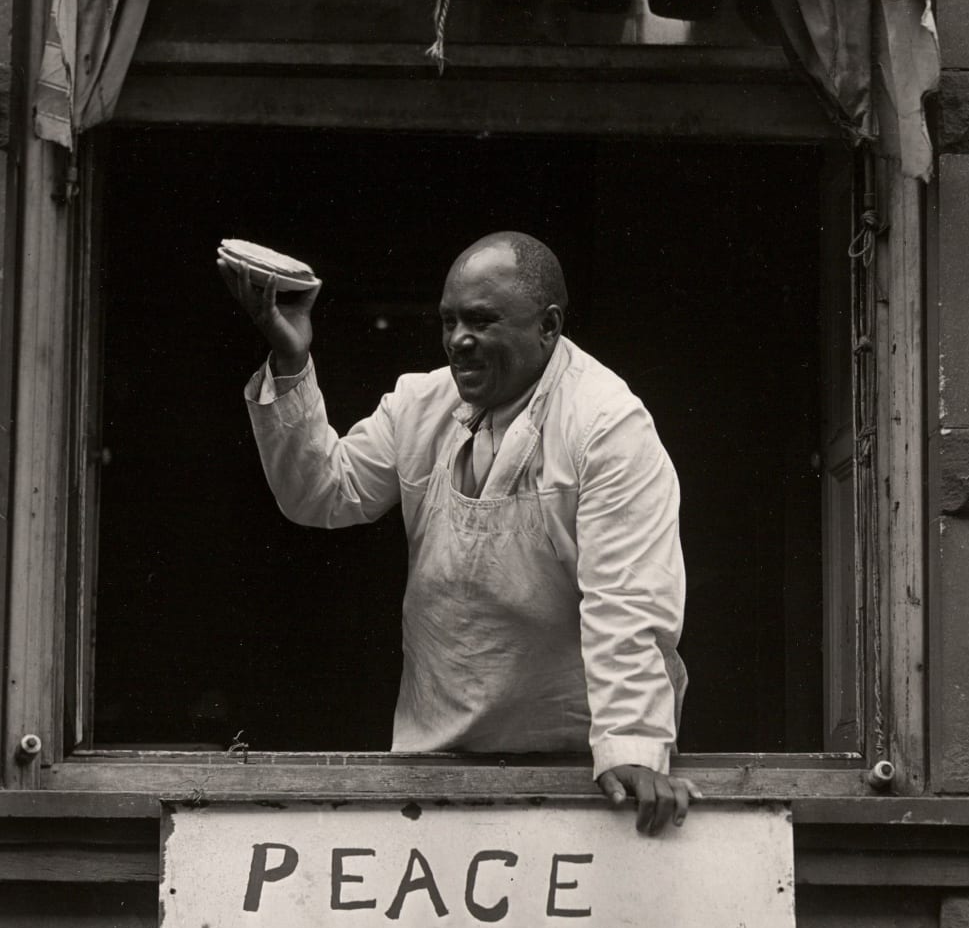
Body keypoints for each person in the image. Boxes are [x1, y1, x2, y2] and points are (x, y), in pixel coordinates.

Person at [219, 232, 693, 836]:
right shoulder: (420, 403)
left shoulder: (606, 423)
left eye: (482, 321)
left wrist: (631, 743)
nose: (458, 341)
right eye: (448, 321)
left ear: (548, 327)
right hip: (433, 754)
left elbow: (626, 598)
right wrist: (291, 361)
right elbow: (322, 494)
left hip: (580, 764)